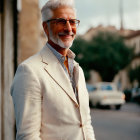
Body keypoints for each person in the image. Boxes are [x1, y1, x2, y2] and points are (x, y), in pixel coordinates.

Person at [11, 0, 96, 140]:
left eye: (72, 22)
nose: (69, 28)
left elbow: (86, 125)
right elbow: (28, 136)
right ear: (46, 27)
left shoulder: (77, 70)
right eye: (61, 21)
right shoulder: (29, 71)